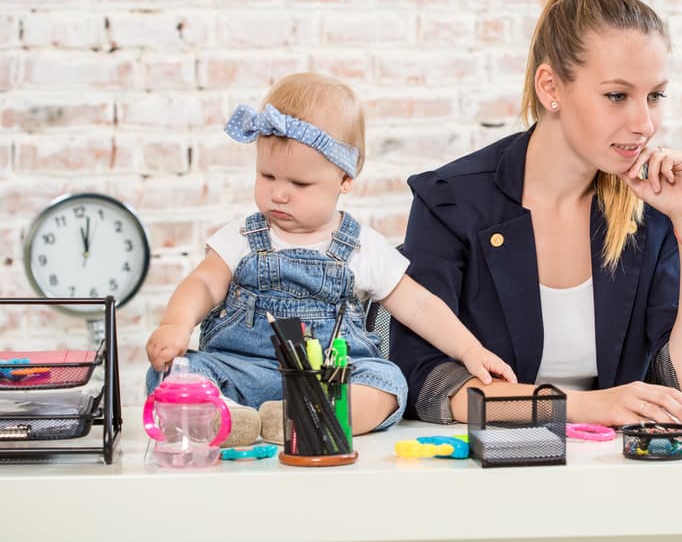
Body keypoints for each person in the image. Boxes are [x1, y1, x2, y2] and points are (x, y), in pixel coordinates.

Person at [392, 0, 682, 427]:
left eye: (655, 96)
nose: (644, 123)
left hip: (612, 470)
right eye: (616, 96)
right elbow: (431, 385)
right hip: (482, 475)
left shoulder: (653, 208)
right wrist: (586, 407)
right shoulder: (452, 201)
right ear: (551, 87)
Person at [145, 73, 515, 445]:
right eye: (267, 175)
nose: (279, 194)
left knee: (388, 384)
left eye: (300, 184)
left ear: (344, 180)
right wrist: (176, 324)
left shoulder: (362, 247)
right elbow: (204, 283)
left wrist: (470, 349)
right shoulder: (242, 235)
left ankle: (302, 416)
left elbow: (418, 305)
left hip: (331, 378)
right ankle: (227, 417)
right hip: (242, 371)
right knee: (175, 373)